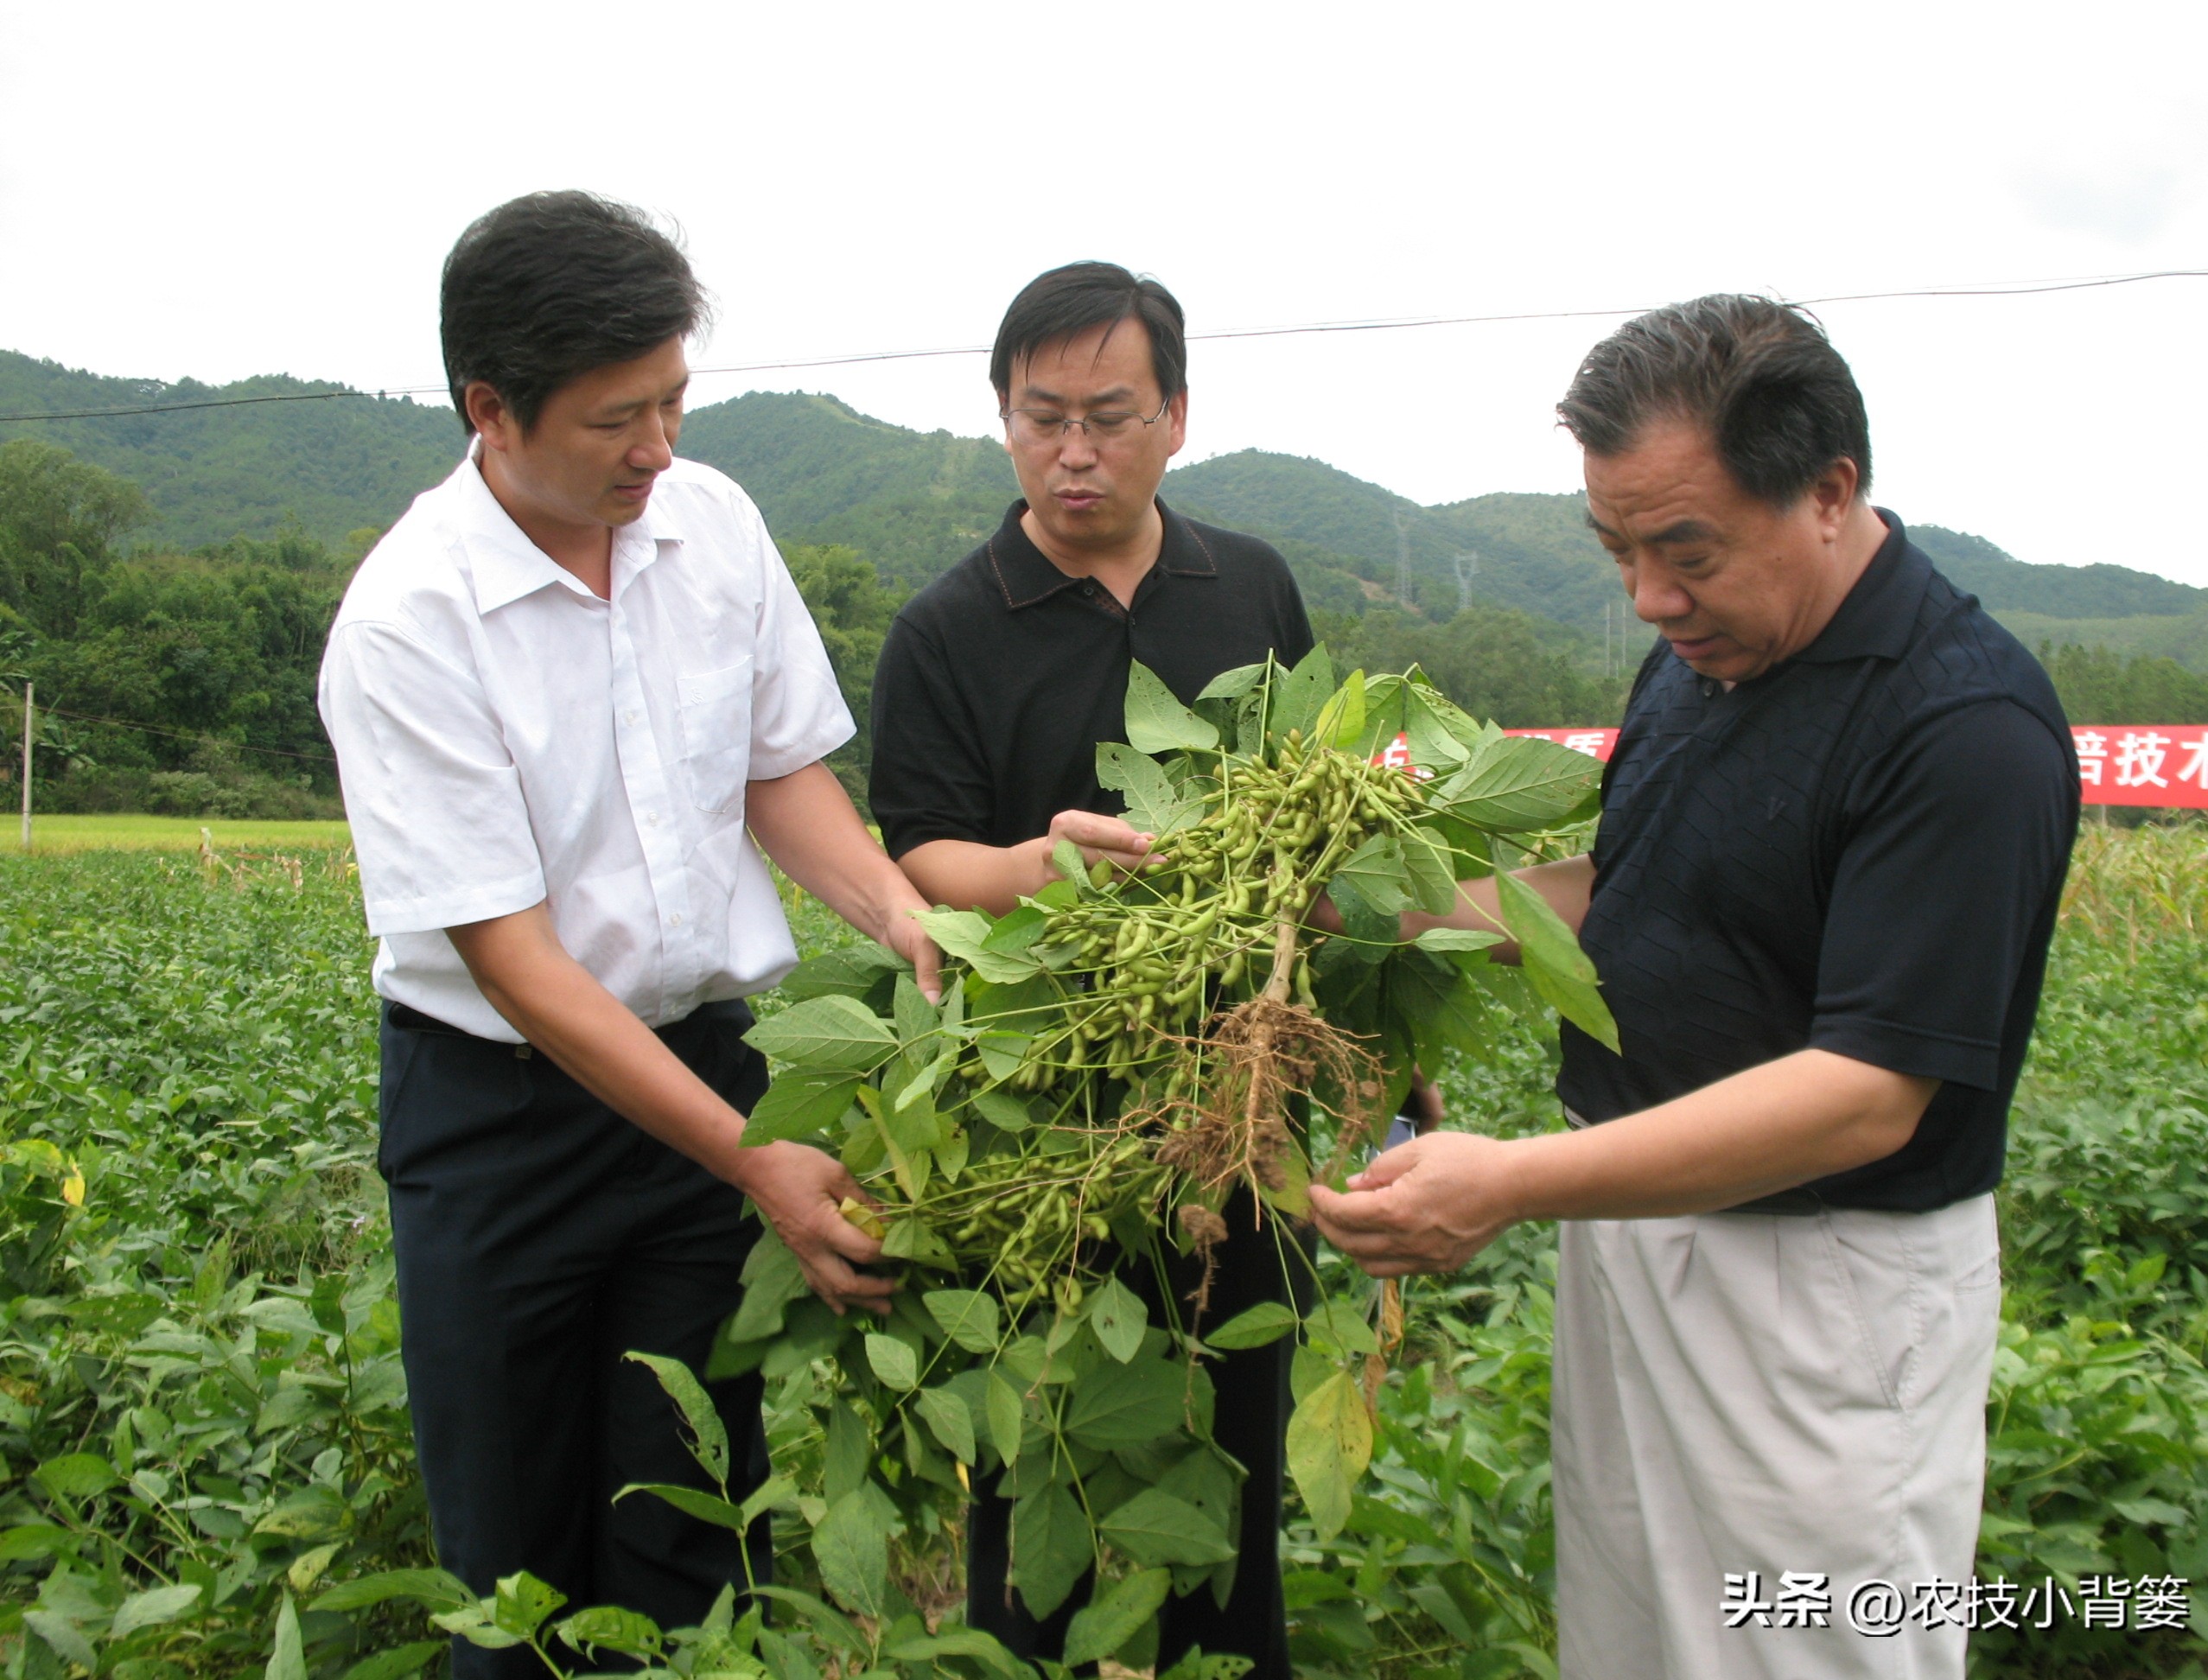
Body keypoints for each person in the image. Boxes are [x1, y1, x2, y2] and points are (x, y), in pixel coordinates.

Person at [1309, 296, 2078, 1680]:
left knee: (1810, 1650)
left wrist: (1511, 1182)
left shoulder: (1962, 727)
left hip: (1822, 1292)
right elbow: (1620, 892)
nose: (1651, 598)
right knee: (1640, 1638)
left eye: (1687, 551)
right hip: (1640, 1230)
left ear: (1830, 493)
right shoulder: (1705, 659)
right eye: (1618, 551)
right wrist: (1374, 920)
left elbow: (1865, 1096)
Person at [318, 191, 937, 1677]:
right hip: (503, 1121)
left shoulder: (708, 523)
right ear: (493, 411)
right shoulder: (414, 618)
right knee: (519, 1558)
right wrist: (755, 1163)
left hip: (706, 1071)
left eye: (673, 401)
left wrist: (910, 923)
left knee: (691, 1518)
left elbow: (778, 770)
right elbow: (516, 965)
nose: (659, 449)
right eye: (618, 420)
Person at [869, 262, 1313, 1677]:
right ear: (1001, 420)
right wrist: (1041, 866)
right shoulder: (947, 627)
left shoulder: (1251, 585)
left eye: (1110, 416)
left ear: (1176, 415)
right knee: (1042, 1441)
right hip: (1043, 1107)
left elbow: (1311, 801)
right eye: (1041, 415)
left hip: (1235, 1094)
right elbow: (922, 855)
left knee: (1236, 1443)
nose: (1074, 452)